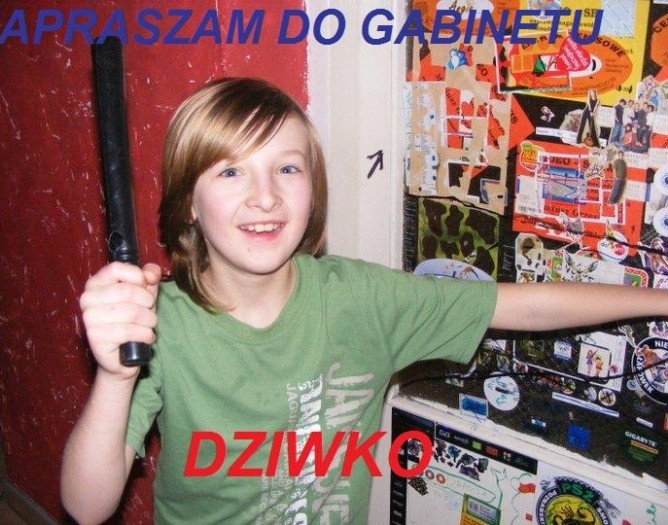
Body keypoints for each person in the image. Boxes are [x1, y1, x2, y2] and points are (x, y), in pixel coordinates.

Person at [61, 78, 668, 524]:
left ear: (313, 188)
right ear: (188, 203)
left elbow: (523, 307)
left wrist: (660, 299)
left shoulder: (362, 299)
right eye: (230, 172)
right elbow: (86, 507)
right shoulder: (158, 323)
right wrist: (115, 377)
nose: (265, 196)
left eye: (287, 168)